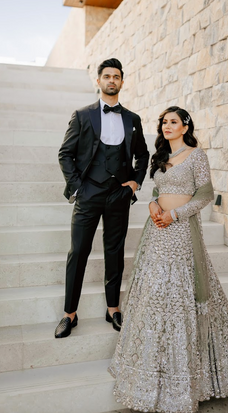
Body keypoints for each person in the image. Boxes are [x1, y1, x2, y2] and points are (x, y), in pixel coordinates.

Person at [108, 106, 228, 412]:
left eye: (173, 122)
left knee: (181, 294)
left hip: (182, 232)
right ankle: (150, 370)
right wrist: (154, 204)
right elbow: (159, 188)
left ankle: (185, 379)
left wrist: (174, 214)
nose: (167, 126)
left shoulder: (196, 156)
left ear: (185, 127)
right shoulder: (161, 157)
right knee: (154, 294)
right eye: (163, 122)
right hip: (157, 231)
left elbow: (204, 196)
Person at [54, 58, 149, 338]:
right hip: (89, 193)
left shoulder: (132, 119)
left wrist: (135, 184)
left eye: (116, 76)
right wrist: (77, 188)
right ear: (98, 81)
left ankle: (113, 309)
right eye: (106, 76)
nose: (111, 80)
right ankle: (69, 314)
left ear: (122, 81)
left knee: (114, 253)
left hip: (119, 194)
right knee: (78, 253)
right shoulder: (83, 115)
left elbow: (142, 155)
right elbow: (65, 154)